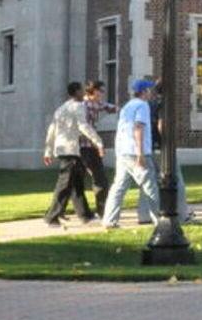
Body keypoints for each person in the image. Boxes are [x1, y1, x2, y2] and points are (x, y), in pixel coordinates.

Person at [43, 81, 104, 227]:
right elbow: (83, 126)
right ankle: (52, 217)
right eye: (81, 90)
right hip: (71, 150)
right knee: (64, 185)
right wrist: (98, 142)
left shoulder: (61, 108)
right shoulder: (78, 107)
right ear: (76, 92)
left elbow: (52, 129)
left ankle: (85, 216)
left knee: (76, 184)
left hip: (63, 149)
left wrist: (48, 150)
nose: (84, 92)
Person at [101, 79, 161, 228]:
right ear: (144, 92)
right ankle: (160, 221)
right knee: (150, 186)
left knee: (119, 187)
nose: (151, 92)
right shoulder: (142, 105)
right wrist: (140, 153)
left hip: (123, 152)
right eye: (149, 89)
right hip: (136, 152)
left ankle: (109, 220)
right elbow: (138, 128)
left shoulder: (127, 106)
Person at [137, 79, 193, 224]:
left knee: (149, 181)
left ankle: (144, 215)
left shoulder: (149, 105)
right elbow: (162, 125)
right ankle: (182, 214)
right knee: (176, 180)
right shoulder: (165, 105)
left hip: (150, 148)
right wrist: (168, 142)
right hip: (163, 148)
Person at [80, 80, 116, 218]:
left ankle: (100, 210)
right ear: (93, 91)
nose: (102, 94)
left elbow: (108, 107)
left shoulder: (95, 104)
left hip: (91, 147)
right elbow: (84, 128)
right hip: (84, 147)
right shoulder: (84, 105)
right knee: (99, 178)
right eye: (101, 91)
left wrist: (121, 109)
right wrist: (99, 144)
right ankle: (100, 211)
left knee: (95, 179)